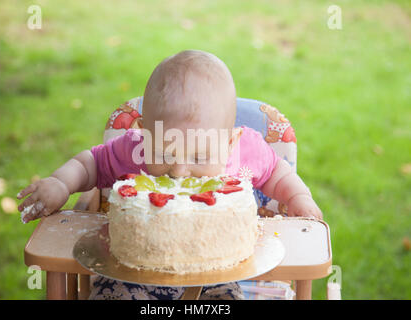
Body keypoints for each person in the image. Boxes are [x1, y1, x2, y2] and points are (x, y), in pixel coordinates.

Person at [17, 50, 322, 299]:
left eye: (201, 156)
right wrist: (60, 182)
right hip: (129, 270)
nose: (179, 170)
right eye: (164, 153)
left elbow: (277, 174)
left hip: (216, 272)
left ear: (230, 142)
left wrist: (298, 197)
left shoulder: (245, 151)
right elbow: (89, 163)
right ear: (144, 134)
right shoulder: (132, 151)